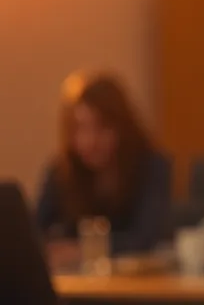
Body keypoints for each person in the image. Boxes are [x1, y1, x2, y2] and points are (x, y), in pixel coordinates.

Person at [35, 71, 171, 267]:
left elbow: (145, 239)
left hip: (136, 281)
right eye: (80, 128)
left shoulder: (151, 166)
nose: (90, 141)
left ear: (122, 127)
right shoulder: (62, 171)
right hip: (75, 282)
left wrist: (81, 251)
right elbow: (33, 232)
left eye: (101, 127)